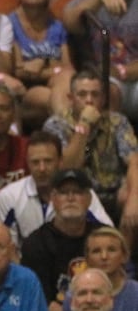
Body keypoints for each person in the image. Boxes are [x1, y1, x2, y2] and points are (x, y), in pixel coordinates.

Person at [44, 70, 138, 231]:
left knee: (129, 195)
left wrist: (134, 198)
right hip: (76, 194)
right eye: (82, 94)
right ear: (71, 98)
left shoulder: (117, 122)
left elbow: (134, 161)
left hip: (112, 194)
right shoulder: (55, 125)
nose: (89, 100)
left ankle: (123, 253)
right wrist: (84, 125)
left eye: (95, 95)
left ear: (103, 99)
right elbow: (67, 168)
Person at [0, 130, 114, 248]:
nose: (42, 168)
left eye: (48, 161)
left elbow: (109, 235)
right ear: (27, 163)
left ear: (60, 161)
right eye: (35, 162)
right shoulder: (9, 196)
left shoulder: (79, 193)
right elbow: (1, 245)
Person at [63, 0, 138, 125]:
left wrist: (129, 70)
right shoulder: (84, 2)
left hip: (136, 79)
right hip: (104, 82)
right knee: (103, 92)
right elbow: (69, 22)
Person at [8, 0, 73, 129]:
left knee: (63, 86)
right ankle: (74, 136)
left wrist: (41, 64)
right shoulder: (9, 24)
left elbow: (68, 69)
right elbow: (18, 71)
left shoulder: (57, 26)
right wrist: (52, 67)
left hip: (58, 85)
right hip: (24, 92)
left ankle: (67, 137)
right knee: (56, 98)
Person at [64, 226, 138, 311]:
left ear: (124, 256)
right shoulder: (73, 296)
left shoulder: (136, 292)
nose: (104, 257)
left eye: (111, 250)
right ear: (87, 259)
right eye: (96, 251)